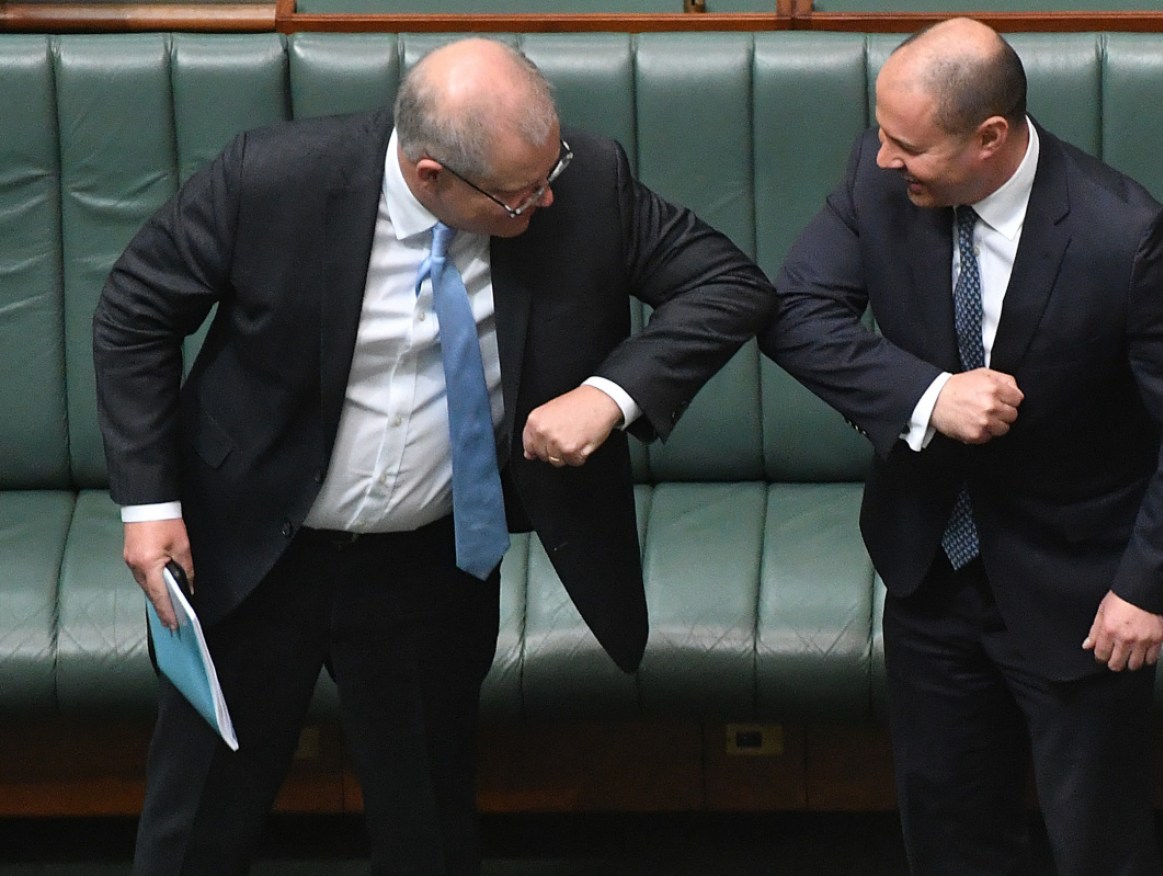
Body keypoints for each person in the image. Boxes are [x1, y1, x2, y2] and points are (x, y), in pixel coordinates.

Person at [93, 38, 775, 875]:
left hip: (426, 564)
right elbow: (133, 312)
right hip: (249, 546)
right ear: (429, 176)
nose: (547, 200)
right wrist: (149, 503)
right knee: (196, 823)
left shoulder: (585, 181)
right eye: (519, 196)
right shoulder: (272, 177)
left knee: (429, 833)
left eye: (549, 168)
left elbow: (728, 285)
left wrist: (609, 394)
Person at [760, 18, 1163, 876]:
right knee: (947, 835)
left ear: (989, 138)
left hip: (1082, 594)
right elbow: (796, 315)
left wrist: (1148, 587)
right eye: (881, 135)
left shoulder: (1122, 235)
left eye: (905, 144)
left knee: (1095, 844)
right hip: (928, 574)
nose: (882, 159)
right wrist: (928, 396)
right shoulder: (878, 181)